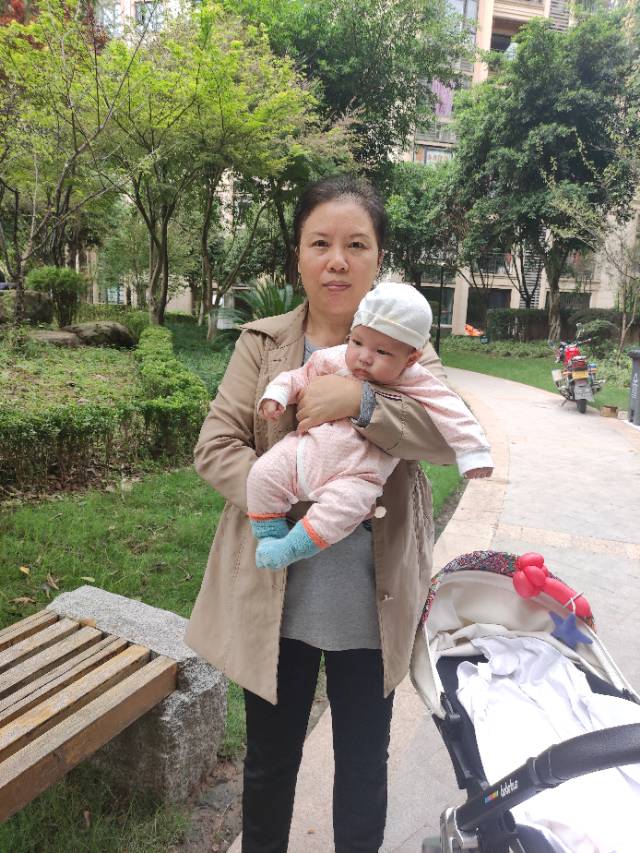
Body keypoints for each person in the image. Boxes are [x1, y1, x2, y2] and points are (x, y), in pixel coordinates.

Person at [185, 174, 475, 853]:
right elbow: (216, 446)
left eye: (356, 245)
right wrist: (291, 489)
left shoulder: (409, 352)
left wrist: (361, 402)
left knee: (363, 767)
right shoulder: (262, 344)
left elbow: (446, 437)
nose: (337, 261)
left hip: (371, 600)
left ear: (378, 260)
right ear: (299, 256)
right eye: (320, 243)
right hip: (276, 596)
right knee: (269, 763)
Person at [247, 281, 493, 570]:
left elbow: (450, 409)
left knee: (345, 508)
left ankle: (290, 548)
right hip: (301, 454)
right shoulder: (333, 358)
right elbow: (297, 376)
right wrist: (277, 395)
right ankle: (270, 535)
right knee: (262, 474)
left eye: (382, 352)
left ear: (411, 358)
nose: (364, 357)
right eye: (357, 342)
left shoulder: (415, 379)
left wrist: (474, 453)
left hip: (357, 474)